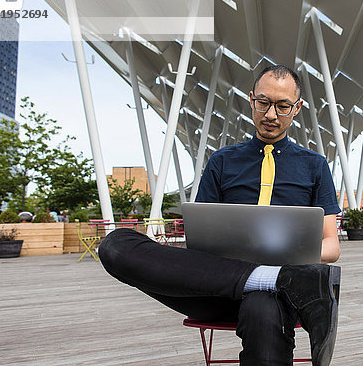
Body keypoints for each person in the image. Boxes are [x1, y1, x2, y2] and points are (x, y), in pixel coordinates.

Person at [98, 65, 342, 366]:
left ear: (297, 108)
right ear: (251, 99)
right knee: (114, 245)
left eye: (282, 106)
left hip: (275, 301)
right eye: (263, 103)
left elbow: (331, 245)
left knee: (263, 308)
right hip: (213, 288)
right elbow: (201, 243)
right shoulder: (222, 161)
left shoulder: (314, 166)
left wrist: (292, 261)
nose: (270, 115)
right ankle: (278, 279)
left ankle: (275, 281)